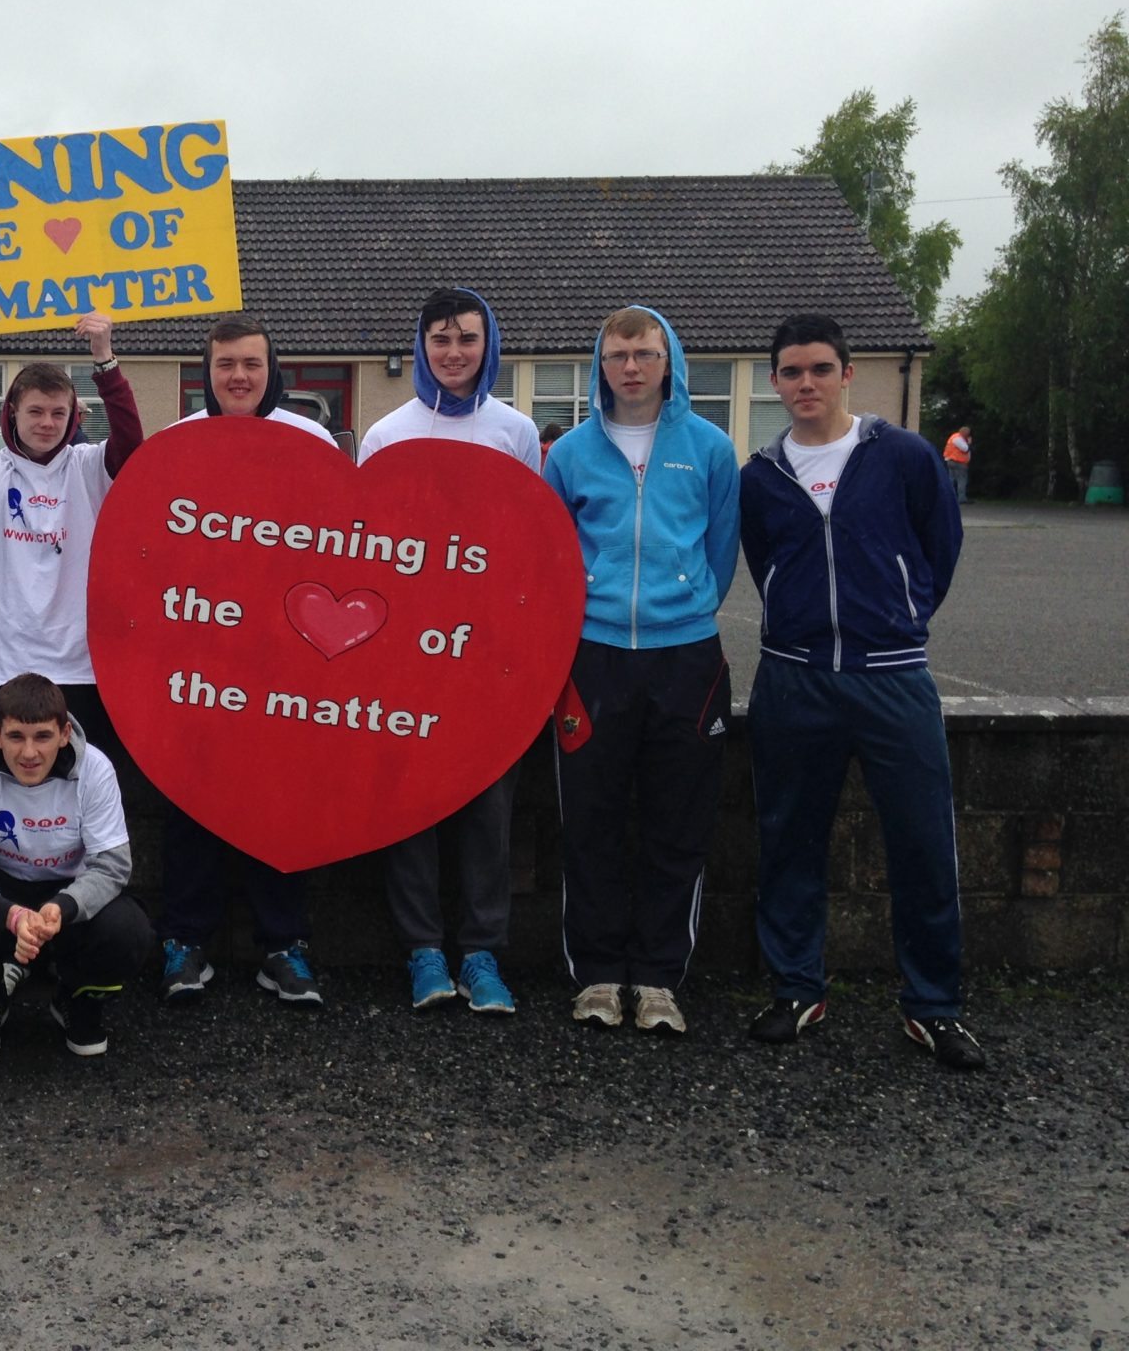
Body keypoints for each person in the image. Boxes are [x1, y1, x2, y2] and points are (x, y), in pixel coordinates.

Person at [741, 314, 981, 1070]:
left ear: (848, 374)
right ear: (776, 382)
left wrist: (899, 619)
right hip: (793, 676)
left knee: (921, 844)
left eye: (819, 369)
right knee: (789, 837)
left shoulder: (904, 455)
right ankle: (795, 987)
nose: (805, 383)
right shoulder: (761, 475)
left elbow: (939, 548)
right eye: (791, 372)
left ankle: (933, 1006)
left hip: (893, 679)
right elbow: (762, 559)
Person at [542, 306, 738, 1035]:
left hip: (686, 659)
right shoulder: (569, 455)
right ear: (601, 364)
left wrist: (682, 608)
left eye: (645, 353)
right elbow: (556, 555)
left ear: (669, 361)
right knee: (589, 821)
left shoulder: (711, 448)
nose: (632, 367)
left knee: (676, 824)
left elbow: (721, 550)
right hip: (591, 659)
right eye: (619, 354)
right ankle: (594, 975)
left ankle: (657, 978)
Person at [359, 287, 542, 1014]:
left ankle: (483, 954)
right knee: (409, 802)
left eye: (467, 337)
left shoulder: (516, 431)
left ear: (487, 344)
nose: (454, 351)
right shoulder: (386, 433)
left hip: (487, 652)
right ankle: (424, 950)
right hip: (406, 650)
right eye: (440, 338)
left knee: (487, 807)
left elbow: (530, 544)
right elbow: (368, 546)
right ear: (421, 346)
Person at [156, 314, 337, 1008]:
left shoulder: (312, 442)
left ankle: (283, 947)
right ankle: (184, 942)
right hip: (198, 655)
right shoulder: (176, 445)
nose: (238, 376)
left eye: (251, 364)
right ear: (207, 370)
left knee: (280, 800)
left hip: (287, 658)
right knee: (189, 799)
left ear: (273, 370)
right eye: (226, 363)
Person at [0, 312, 142, 758]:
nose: (47, 422)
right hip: (5, 660)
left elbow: (130, 446)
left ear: (73, 415)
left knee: (82, 779)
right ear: (13, 412)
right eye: (36, 411)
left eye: (58, 413)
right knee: (7, 777)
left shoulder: (88, 466)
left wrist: (105, 360)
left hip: (79, 663)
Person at [0, 674, 154, 1058]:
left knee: (128, 931)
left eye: (42, 737)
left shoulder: (95, 768)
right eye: (16, 737)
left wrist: (61, 907)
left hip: (66, 896)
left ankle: (76, 1000)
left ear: (65, 733)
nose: (29, 753)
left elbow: (112, 865)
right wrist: (10, 916)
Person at [942, 425, 972, 504]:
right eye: (967, 433)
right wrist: (969, 443)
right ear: (964, 432)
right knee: (961, 480)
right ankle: (961, 498)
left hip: (951, 461)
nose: (968, 435)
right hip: (958, 462)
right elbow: (965, 449)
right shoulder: (958, 438)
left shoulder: (953, 437)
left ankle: (948, 497)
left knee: (951, 480)